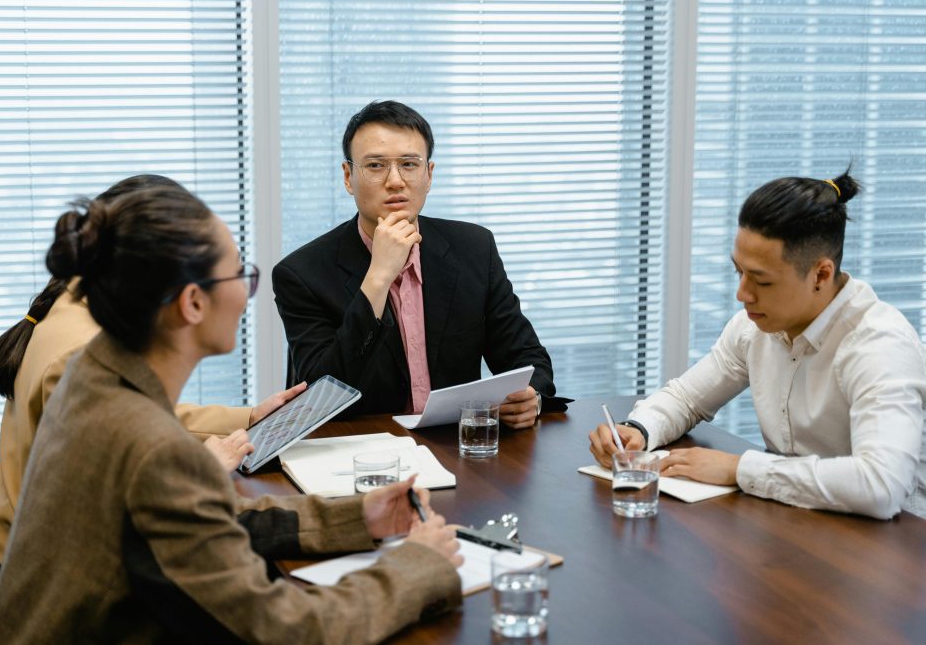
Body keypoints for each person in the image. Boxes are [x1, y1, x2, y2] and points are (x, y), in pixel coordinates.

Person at [0, 178, 463, 644]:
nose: (246, 291)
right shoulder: (149, 446)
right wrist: (417, 566)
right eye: (239, 273)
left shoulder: (94, 374)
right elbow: (288, 630)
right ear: (192, 303)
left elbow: (200, 517)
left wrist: (358, 517)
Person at [0, 175, 306, 561]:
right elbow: (114, 513)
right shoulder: (84, 352)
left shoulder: (77, 302)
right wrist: (203, 472)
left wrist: (249, 416)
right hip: (41, 557)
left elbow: (133, 413)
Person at [589, 169, 926, 520]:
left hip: (892, 546)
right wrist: (639, 431)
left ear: (821, 275)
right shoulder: (755, 328)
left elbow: (880, 485)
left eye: (761, 281)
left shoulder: (879, 345)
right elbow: (687, 398)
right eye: (739, 272)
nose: (742, 294)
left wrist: (739, 469)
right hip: (799, 519)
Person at [273, 100, 563, 428]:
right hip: (360, 452)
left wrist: (532, 396)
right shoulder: (302, 274)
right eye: (376, 166)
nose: (395, 180)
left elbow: (527, 358)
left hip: (458, 448)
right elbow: (321, 398)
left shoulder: (474, 248)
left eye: (409, 164)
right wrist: (378, 277)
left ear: (429, 174)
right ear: (348, 177)